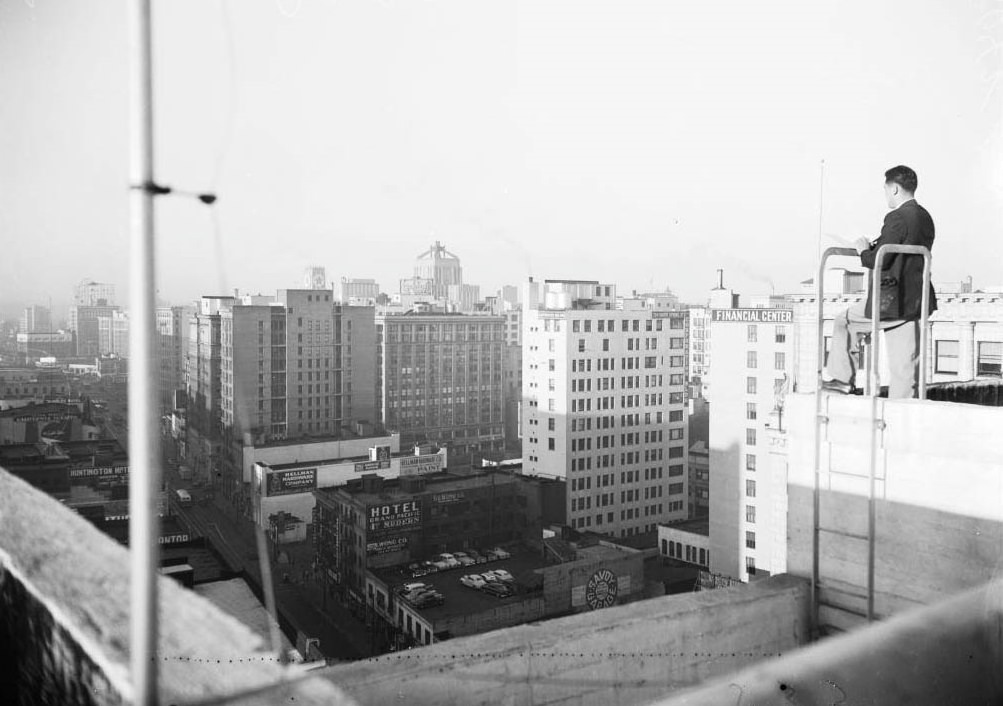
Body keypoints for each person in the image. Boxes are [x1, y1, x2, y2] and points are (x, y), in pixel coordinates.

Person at [823, 165, 937, 398]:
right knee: (904, 368)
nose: (885, 195)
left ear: (894, 188)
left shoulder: (896, 217)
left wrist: (864, 250)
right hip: (916, 300)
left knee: (844, 321)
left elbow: (880, 260)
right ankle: (901, 414)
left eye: (885, 190)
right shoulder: (925, 217)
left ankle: (841, 380)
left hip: (891, 301)